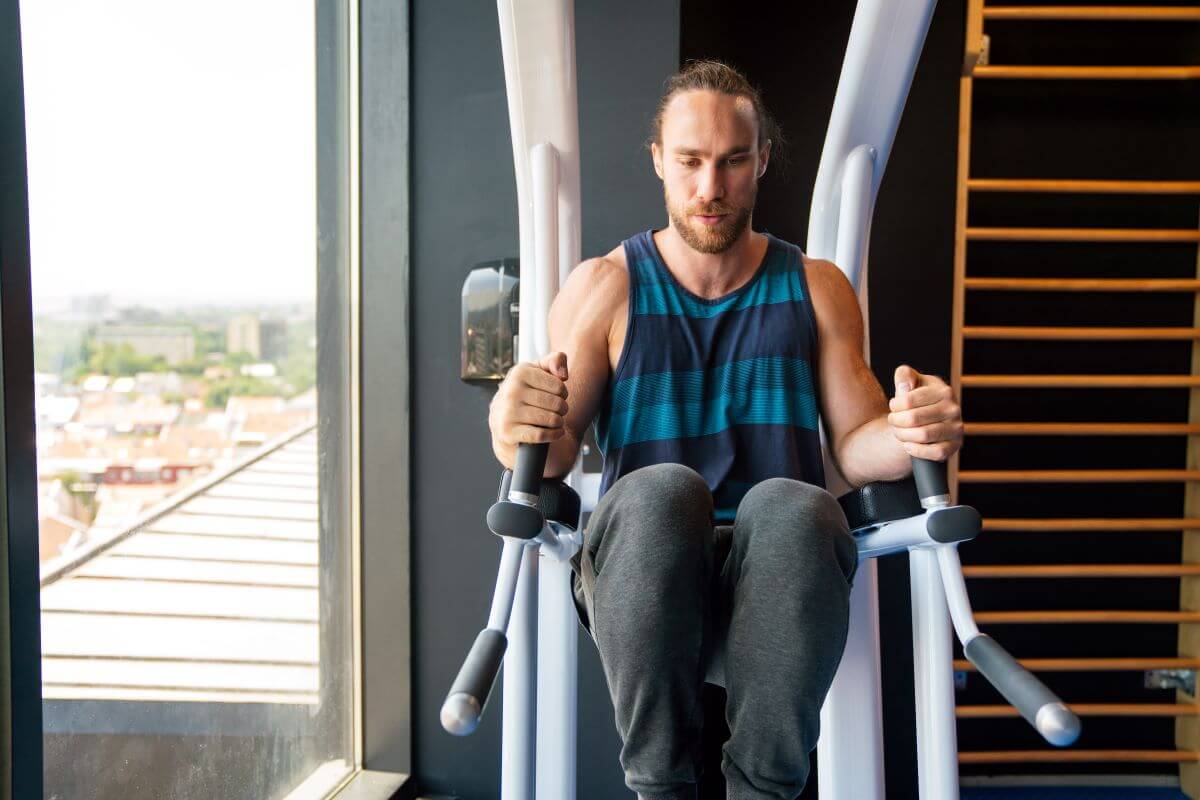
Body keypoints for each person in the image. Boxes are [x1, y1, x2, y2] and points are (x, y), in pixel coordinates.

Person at [487, 59, 963, 800]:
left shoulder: (815, 286)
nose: (711, 188)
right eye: (690, 162)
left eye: (734, 161)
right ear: (658, 162)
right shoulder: (604, 287)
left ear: (762, 160)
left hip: (783, 569)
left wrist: (910, 432)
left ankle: (761, 793)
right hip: (642, 569)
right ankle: (662, 790)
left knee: (799, 504)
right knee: (661, 494)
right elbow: (549, 453)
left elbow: (856, 446)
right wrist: (511, 415)